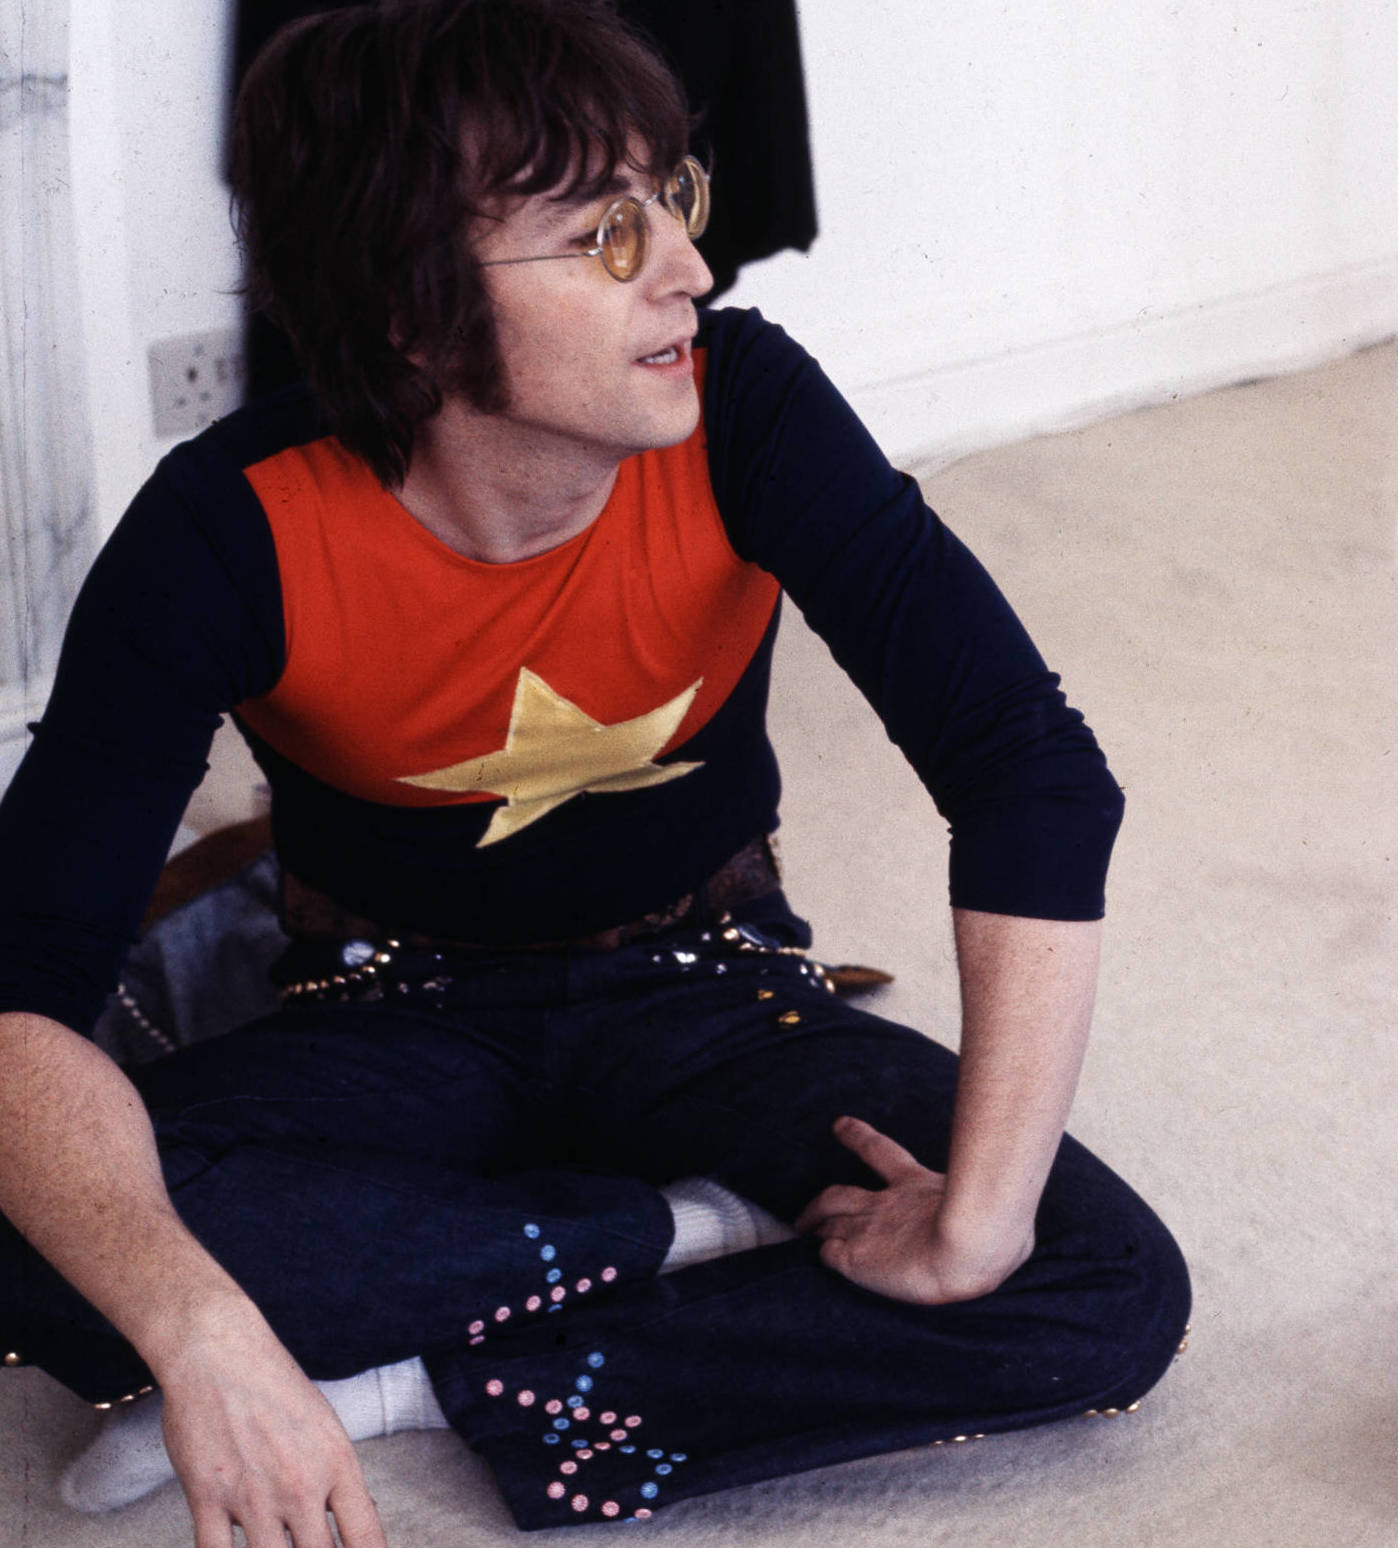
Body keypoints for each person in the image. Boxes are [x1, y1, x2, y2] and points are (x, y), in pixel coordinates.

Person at [0, 1, 1187, 1542]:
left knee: (1097, 1281)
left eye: (671, 201)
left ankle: (415, 1377)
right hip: (387, 1008)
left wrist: (975, 1221)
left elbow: (1030, 770)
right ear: (406, 311)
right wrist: (203, 1338)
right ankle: (690, 1239)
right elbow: (21, 991)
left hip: (703, 986)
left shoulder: (746, 406)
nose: (690, 268)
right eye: (602, 236)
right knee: (42, 1250)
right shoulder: (227, 527)